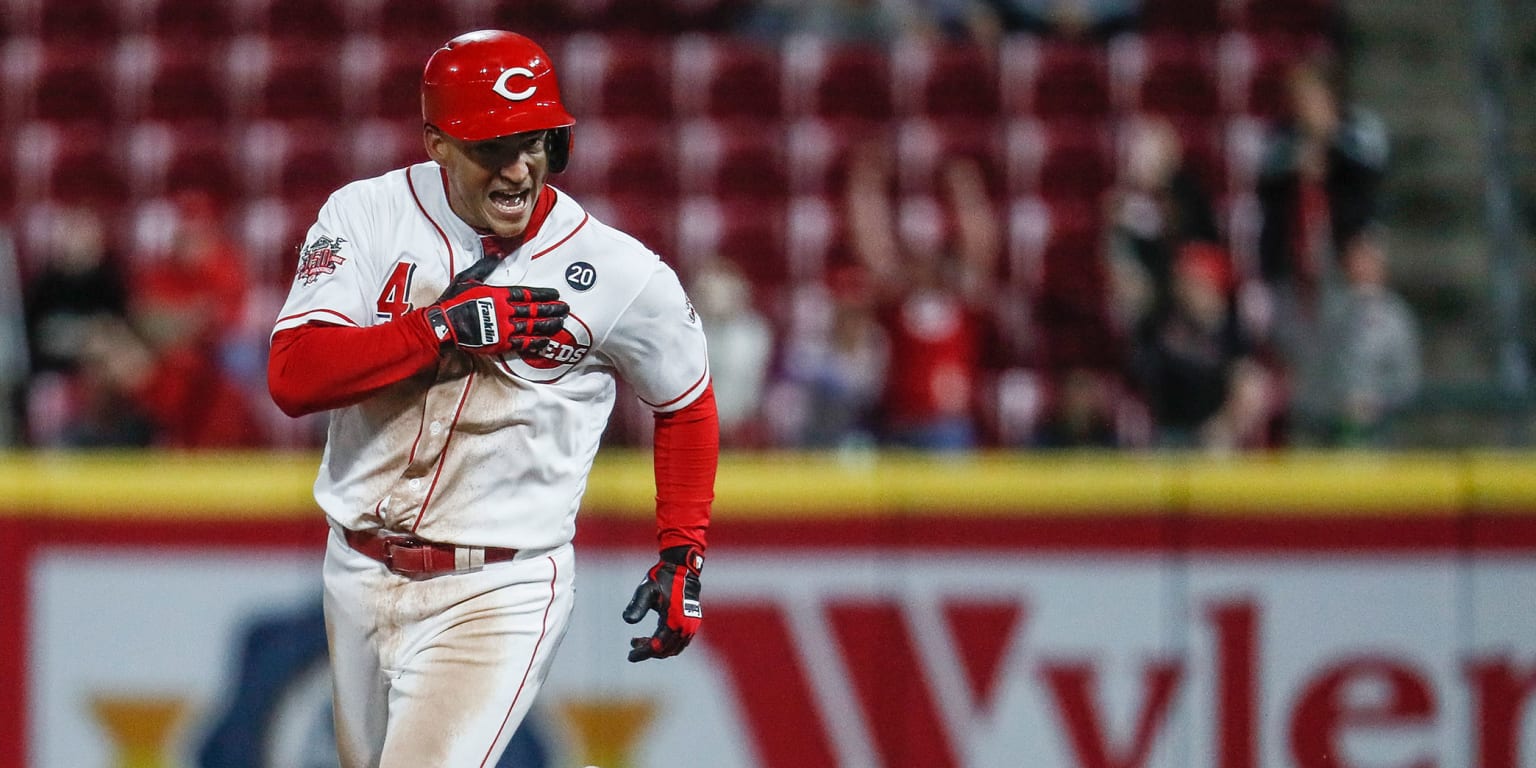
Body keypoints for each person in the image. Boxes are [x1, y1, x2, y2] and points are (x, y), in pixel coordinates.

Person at [265, 30, 718, 767]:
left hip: (499, 585)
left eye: (534, 141)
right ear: (436, 142)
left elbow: (686, 401)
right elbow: (294, 377)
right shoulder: (368, 215)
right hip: (355, 567)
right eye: (492, 147)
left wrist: (683, 551)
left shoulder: (618, 272)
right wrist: (439, 329)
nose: (518, 167)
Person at [1286, 228, 1421, 446]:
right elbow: (1310, 361)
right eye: (1357, 256)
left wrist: (1374, 402)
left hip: (1373, 431)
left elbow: (1406, 382)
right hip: (1318, 424)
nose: (1361, 265)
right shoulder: (1325, 305)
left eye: (1369, 258)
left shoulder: (1396, 316)